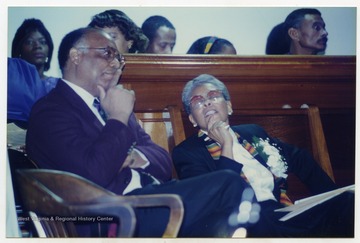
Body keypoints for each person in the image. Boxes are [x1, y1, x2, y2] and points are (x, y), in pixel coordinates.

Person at [25, 27, 254, 237]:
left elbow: (163, 161)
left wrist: (137, 156)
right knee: (229, 185)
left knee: (229, 207)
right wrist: (117, 118)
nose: (116, 64)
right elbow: (93, 174)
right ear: (76, 56)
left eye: (118, 57)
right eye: (107, 53)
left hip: (151, 199)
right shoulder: (50, 111)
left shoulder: (112, 103)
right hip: (112, 216)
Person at [172, 74, 354, 237]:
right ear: (192, 119)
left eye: (213, 96)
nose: (207, 103)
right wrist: (226, 144)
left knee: (348, 201)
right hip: (244, 223)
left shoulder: (253, 132)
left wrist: (329, 194)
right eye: (197, 101)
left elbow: (299, 157)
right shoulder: (187, 153)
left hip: (282, 212)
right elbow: (218, 199)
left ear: (228, 106)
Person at [11, 18, 58, 92]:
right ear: (19, 49)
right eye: (30, 42)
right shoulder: (9, 80)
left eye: (42, 42)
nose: (37, 46)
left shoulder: (58, 86)